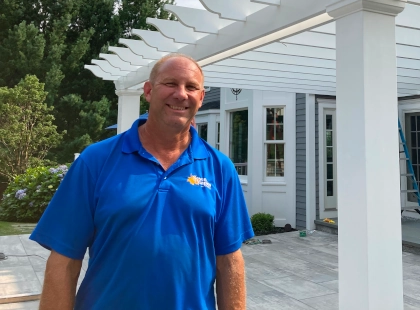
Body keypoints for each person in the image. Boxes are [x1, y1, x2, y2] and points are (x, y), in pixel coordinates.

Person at [31, 53, 254, 310]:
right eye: (170, 83)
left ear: (201, 98)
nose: (181, 94)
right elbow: (64, 259)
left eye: (191, 87)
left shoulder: (220, 168)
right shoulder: (96, 161)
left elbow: (229, 260)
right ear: (148, 91)